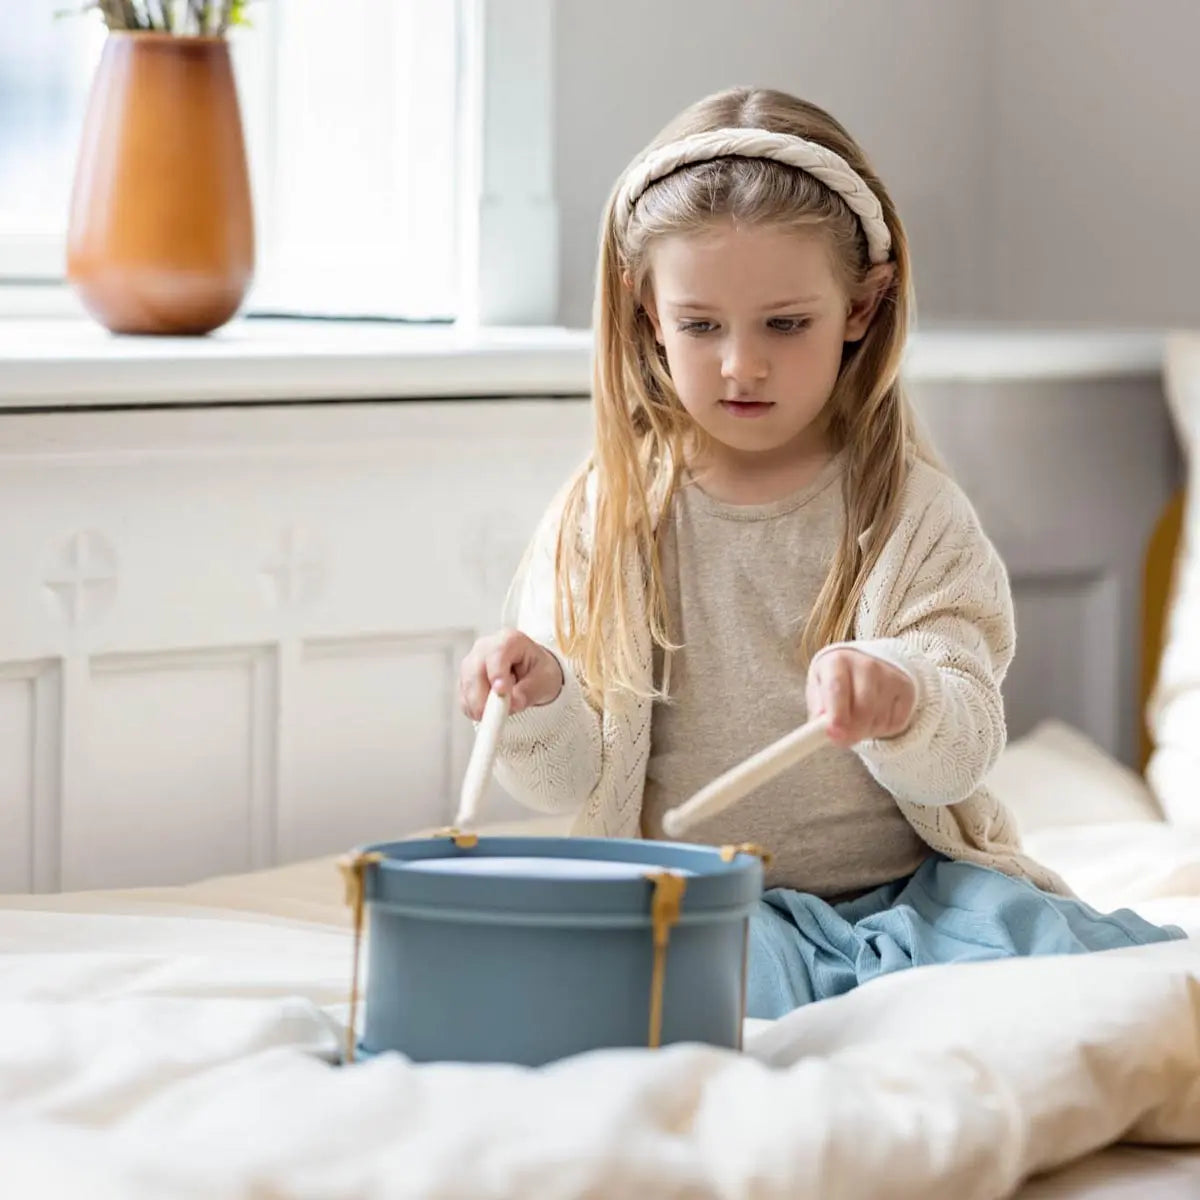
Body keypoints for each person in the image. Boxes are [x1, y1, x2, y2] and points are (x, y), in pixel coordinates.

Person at [458, 86, 1181, 1017]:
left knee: (1084, 977)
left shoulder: (911, 511)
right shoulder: (611, 516)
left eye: (785, 324)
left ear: (862, 307)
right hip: (712, 900)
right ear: (647, 310)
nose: (740, 365)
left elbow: (959, 755)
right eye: (701, 325)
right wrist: (536, 698)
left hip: (918, 897)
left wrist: (905, 698)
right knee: (675, 996)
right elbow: (564, 783)